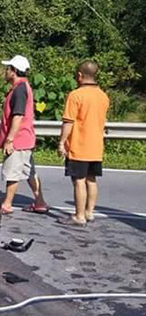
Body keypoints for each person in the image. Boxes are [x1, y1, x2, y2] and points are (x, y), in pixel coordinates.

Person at [57, 61, 110, 227]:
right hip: (96, 146)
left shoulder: (76, 95)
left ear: (80, 75)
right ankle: (89, 212)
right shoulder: (103, 96)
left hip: (79, 145)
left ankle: (79, 216)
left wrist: (61, 142)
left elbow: (68, 122)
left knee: (78, 180)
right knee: (91, 179)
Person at [0, 55, 48, 215]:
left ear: (14, 71)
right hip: (26, 138)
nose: (6, 72)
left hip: (18, 139)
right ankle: (40, 202)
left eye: (8, 69)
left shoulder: (19, 90)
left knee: (13, 172)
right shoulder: (22, 87)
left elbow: (17, 116)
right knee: (29, 172)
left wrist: (10, 139)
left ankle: (7, 204)